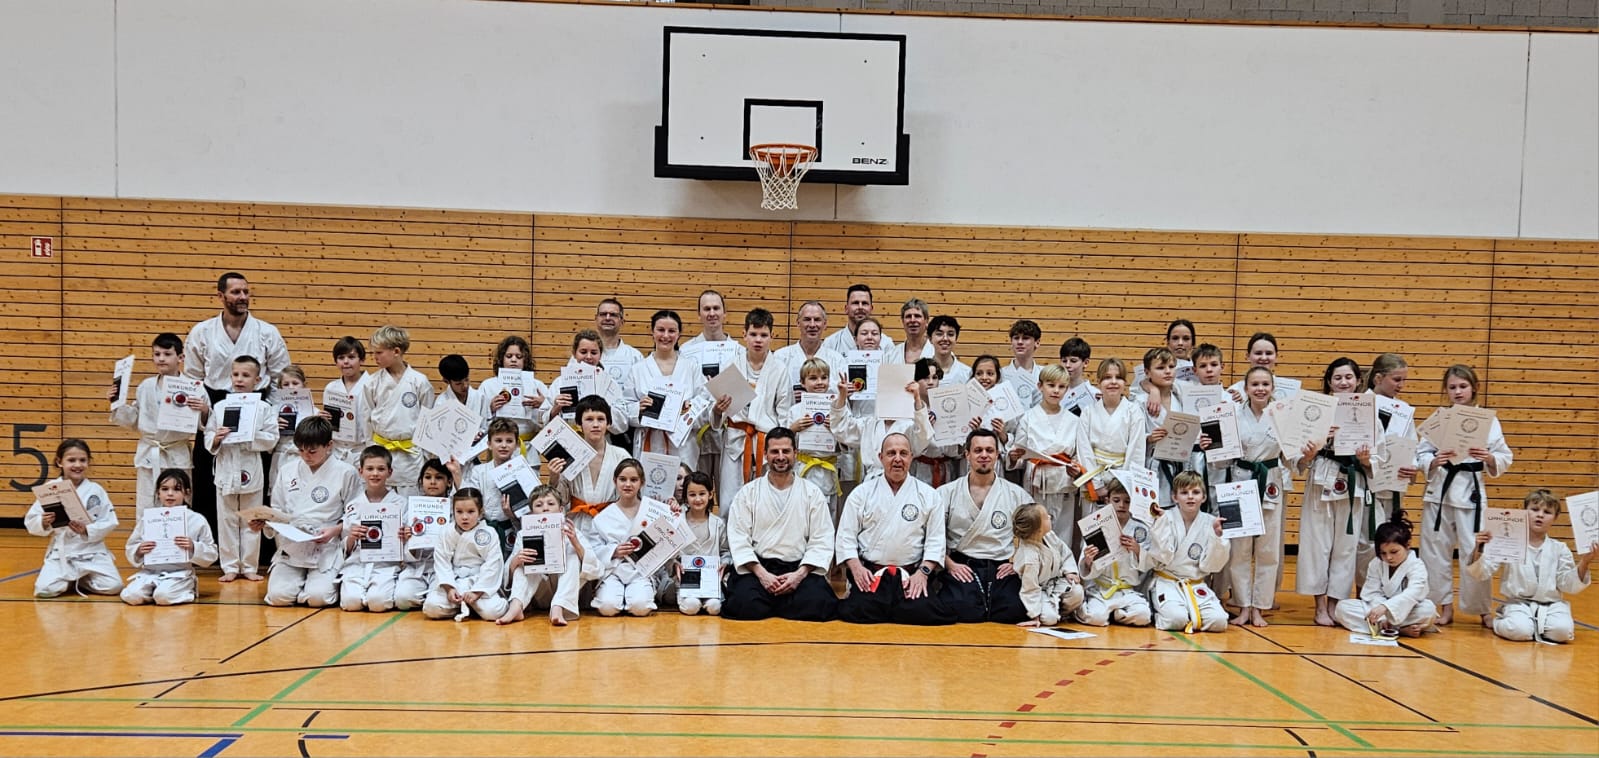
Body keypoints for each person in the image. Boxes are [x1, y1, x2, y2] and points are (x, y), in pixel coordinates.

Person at [185, 273, 290, 527]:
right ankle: (211, 542)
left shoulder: (267, 332)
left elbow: (281, 377)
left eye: (245, 291)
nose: (242, 297)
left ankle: (260, 545)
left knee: (257, 477)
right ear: (220, 296)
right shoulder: (202, 332)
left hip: (256, 405)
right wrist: (205, 412)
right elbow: (192, 378)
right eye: (236, 292)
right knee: (209, 479)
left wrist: (270, 412)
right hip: (216, 407)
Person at [1418, 363, 1512, 627]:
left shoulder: (1489, 422)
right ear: (1445, 390)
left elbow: (1504, 456)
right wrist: (1433, 460)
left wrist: (1489, 457)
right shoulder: (1440, 419)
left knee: (1476, 550)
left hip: (1471, 494)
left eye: (1463, 386)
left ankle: (1482, 609)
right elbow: (1420, 454)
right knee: (1435, 552)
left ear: (1474, 388)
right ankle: (1443, 606)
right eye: (1452, 387)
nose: (1457, 392)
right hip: (1439, 492)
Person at [836, 433, 956, 625]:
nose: (897, 459)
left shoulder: (928, 495)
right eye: (891, 453)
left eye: (903, 453)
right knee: (855, 612)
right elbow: (845, 537)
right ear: (880, 457)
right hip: (872, 575)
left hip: (911, 575)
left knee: (929, 613)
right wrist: (857, 569)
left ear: (911, 457)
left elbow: (936, 541)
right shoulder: (862, 493)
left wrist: (923, 573)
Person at [722, 428, 838, 621]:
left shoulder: (812, 493)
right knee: (744, 604)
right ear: (765, 454)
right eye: (775, 451)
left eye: (786, 451)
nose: (781, 457)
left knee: (818, 603)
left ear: (795, 453)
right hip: (758, 568)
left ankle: (778, 601)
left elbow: (822, 539)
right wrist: (763, 575)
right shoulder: (748, 493)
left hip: (798, 568)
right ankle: (780, 602)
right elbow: (739, 538)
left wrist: (799, 575)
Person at [1221, 367, 1304, 628]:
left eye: (1265, 384)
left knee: (1268, 550)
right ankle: (1243, 606)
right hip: (1240, 481)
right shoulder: (1232, 414)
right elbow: (1221, 459)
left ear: (1272, 388)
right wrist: (1210, 447)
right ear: (1245, 388)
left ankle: (1259, 607)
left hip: (1270, 481)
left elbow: (1293, 459)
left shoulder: (1283, 416)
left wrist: (1309, 453)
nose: (1260, 389)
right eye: (1255, 384)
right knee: (1240, 550)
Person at [1466, 489, 1594, 643]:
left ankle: (1534, 626)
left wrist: (1585, 562)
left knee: (1563, 633)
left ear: (1555, 518)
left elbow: (1567, 584)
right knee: (1519, 630)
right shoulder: (1509, 543)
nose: (1540, 515)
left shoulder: (1560, 548)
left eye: (1547, 512)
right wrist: (1478, 548)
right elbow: (1481, 573)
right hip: (1518, 603)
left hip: (1552, 605)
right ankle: (1499, 622)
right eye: (1534, 509)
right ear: (1524, 513)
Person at [257, 417, 360, 607]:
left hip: (326, 545)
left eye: (312, 451)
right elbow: (277, 509)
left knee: (318, 598)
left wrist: (335, 530)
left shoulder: (346, 472)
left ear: (329, 445)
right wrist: (265, 522)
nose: (306, 456)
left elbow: (354, 513)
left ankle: (316, 584)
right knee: (279, 597)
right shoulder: (287, 470)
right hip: (292, 545)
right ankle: (298, 586)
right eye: (301, 450)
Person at [938, 429, 1032, 624]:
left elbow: (1035, 535)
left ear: (997, 455)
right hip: (962, 564)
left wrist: (1017, 562)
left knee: (1014, 610)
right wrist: (949, 564)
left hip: (1002, 565)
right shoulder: (946, 493)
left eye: (989, 450)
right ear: (967, 455)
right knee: (960, 609)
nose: (984, 455)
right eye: (977, 450)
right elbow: (932, 536)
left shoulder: (1016, 494)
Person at [1297, 357, 1365, 627]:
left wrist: (1367, 459)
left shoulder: (1368, 412)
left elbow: (1378, 455)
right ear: (1329, 382)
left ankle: (1336, 603)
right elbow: (1299, 457)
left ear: (1358, 380)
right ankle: (1320, 605)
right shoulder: (1316, 411)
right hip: (1321, 479)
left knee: (1345, 547)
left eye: (1348, 377)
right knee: (1317, 544)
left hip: (1353, 482)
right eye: (1337, 378)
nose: (1343, 382)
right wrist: (1315, 447)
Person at [110, 332, 208, 511]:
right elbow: (135, 419)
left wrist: (204, 410)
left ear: (180, 358)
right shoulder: (145, 386)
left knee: (178, 506)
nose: (161, 358)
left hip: (177, 453)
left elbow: (206, 425)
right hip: (149, 453)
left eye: (167, 354)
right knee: (147, 505)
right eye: (157, 354)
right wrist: (117, 404)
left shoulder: (193, 387)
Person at [204, 356, 279, 582]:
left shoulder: (264, 408)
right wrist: (216, 438)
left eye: (246, 375)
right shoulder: (220, 407)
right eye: (236, 374)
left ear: (257, 380)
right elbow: (209, 434)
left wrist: (251, 435)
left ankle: (249, 566)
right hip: (226, 467)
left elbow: (272, 437)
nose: (239, 379)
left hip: (250, 468)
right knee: (226, 520)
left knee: (252, 519)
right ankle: (229, 566)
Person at [25, 439, 123, 598]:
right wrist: (43, 522)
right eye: (71, 460)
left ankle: (82, 580)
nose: (77, 465)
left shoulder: (96, 490)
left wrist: (87, 530)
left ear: (88, 462)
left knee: (114, 586)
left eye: (82, 460)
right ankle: (71, 579)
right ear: (59, 462)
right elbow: (31, 520)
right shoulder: (49, 489)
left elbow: (109, 520)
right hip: (63, 551)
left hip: (92, 551)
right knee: (45, 590)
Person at [1008, 364, 1086, 545]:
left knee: (1062, 538)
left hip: (1063, 484)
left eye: (1061, 386)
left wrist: (1076, 469)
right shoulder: (1028, 417)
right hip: (1036, 485)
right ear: (1040, 386)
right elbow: (1020, 456)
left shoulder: (1075, 421)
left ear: (1067, 389)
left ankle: (1061, 564)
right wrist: (1014, 458)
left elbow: (1077, 455)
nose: (1056, 391)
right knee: (1036, 534)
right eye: (1051, 385)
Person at [500, 485, 600, 626]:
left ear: (561, 510)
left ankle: (558, 607)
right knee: (523, 561)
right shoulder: (523, 534)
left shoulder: (571, 532)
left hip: (565, 592)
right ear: (532, 512)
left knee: (573, 555)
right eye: (539, 505)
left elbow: (595, 568)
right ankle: (516, 606)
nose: (545, 508)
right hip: (537, 593)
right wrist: (516, 561)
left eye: (551, 504)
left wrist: (576, 543)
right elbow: (509, 572)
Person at [583, 458, 669, 617]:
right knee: (608, 607)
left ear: (642, 482)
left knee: (640, 607)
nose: (628, 484)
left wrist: (673, 512)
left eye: (633, 480)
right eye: (623, 479)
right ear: (615, 481)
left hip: (641, 572)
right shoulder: (602, 517)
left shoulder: (652, 512)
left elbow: (667, 542)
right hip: (613, 571)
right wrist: (613, 551)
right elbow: (593, 549)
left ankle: (637, 595)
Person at [709, 308, 779, 504]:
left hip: (765, 442)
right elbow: (717, 410)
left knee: (763, 501)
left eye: (763, 335)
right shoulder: (731, 365)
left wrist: (778, 446)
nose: (758, 340)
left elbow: (784, 413)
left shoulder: (779, 369)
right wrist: (718, 410)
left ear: (772, 336)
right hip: (736, 440)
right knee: (730, 500)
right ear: (744, 335)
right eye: (753, 334)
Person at [121, 469, 218, 606]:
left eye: (176, 489)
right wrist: (139, 550)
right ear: (158, 493)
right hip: (150, 572)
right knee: (131, 596)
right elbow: (131, 545)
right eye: (165, 489)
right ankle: (153, 591)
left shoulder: (197, 520)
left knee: (163, 597)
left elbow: (212, 553)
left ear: (187, 493)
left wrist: (193, 546)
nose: (170, 494)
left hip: (180, 573)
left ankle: (187, 587)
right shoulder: (148, 519)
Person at [1148, 471, 1230, 633]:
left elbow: (1212, 566)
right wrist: (1161, 525)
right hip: (1167, 582)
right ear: (1174, 497)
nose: (1190, 497)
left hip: (1196, 584)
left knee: (1219, 621)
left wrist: (1218, 537)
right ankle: (1159, 612)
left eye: (1196, 492)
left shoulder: (1212, 523)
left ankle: (1188, 614)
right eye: (1184, 493)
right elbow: (1163, 557)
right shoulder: (1165, 518)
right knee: (1176, 619)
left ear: (1204, 497)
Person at [361, 325, 435, 496]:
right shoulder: (372, 383)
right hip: (381, 451)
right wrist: (371, 452)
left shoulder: (419, 382)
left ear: (396, 351)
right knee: (380, 502)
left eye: (379, 352)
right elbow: (366, 420)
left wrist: (425, 455)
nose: (374, 357)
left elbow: (428, 422)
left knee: (410, 501)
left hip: (410, 454)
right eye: (373, 353)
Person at [627, 310, 706, 467]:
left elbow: (704, 405)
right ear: (652, 332)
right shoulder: (638, 369)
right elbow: (625, 408)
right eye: (661, 330)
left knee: (683, 481)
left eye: (671, 331)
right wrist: (639, 409)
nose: (666, 335)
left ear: (679, 334)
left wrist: (689, 410)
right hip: (650, 441)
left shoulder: (691, 367)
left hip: (682, 444)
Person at [1334, 514, 1435, 638]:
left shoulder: (1416, 565)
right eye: (1383, 553)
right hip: (1379, 610)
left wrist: (1386, 607)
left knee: (1428, 610)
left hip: (1406, 609)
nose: (1388, 557)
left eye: (1394, 552)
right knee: (1342, 608)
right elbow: (1372, 593)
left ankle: (1384, 628)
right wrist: (1381, 616)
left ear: (1408, 545)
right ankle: (1397, 629)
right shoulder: (1376, 564)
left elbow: (1413, 593)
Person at [339, 445, 409, 612]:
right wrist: (352, 537)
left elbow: (407, 545)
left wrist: (405, 537)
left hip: (385, 565)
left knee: (378, 603)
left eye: (381, 469)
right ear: (361, 471)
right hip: (357, 564)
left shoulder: (401, 504)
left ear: (390, 472)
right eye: (370, 469)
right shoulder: (353, 505)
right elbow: (345, 547)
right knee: (350, 603)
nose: (375, 473)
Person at [1075, 480, 1154, 627]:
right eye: (1116, 500)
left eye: (1127, 501)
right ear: (1107, 500)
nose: (1121, 505)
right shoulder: (1095, 526)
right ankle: (1091, 610)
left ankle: (1118, 614)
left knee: (1143, 616)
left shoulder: (1141, 529)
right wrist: (1088, 560)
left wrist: (1137, 550)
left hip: (1126, 591)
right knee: (1096, 618)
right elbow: (1085, 568)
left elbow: (1147, 565)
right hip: (1102, 589)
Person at [423, 488, 509, 621]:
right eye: (459, 512)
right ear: (453, 511)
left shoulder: (489, 533)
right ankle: (463, 604)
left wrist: (476, 592)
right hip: (454, 581)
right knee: (431, 607)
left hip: (478, 582)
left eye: (470, 511)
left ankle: (467, 604)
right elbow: (442, 563)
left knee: (494, 612)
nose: (464, 517)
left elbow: (493, 565)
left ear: (480, 512)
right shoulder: (446, 532)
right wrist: (449, 589)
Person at [1075, 358, 1146, 509]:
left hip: (1122, 479)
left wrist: (1121, 485)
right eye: (1107, 377)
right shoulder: (1088, 412)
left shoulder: (1134, 412)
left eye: (1118, 377)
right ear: (1098, 382)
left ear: (1125, 382)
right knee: (1093, 522)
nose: (1113, 382)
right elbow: (1084, 450)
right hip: (1093, 479)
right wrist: (1096, 484)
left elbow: (1137, 452)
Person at [455, 418, 531, 557]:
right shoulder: (479, 471)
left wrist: (512, 515)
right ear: (489, 444)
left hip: (511, 528)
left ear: (516, 445)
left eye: (509, 441)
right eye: (498, 440)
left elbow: (531, 507)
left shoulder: (522, 471)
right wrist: (456, 473)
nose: (504, 445)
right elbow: (469, 500)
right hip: (483, 528)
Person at [553, 396, 632, 529]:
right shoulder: (568, 456)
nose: (595, 425)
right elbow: (562, 500)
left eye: (601, 419)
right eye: (589, 419)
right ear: (579, 424)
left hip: (611, 524)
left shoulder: (621, 456)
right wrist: (554, 478)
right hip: (577, 525)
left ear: (608, 423)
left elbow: (631, 493)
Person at [765, 301, 847, 426]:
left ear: (825, 324)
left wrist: (814, 394)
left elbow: (843, 396)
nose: (812, 325)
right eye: (807, 319)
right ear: (798, 323)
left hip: (826, 426)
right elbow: (769, 394)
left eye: (817, 320)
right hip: (787, 425)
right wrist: (790, 396)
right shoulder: (780, 357)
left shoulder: (837, 359)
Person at [1011, 502, 1085, 627]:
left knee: (1078, 592)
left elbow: (1064, 552)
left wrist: (1070, 571)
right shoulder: (1029, 556)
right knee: (1049, 619)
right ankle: (1050, 612)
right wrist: (1035, 615)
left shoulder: (1049, 536)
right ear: (1038, 529)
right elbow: (1030, 588)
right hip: (1041, 591)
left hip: (1056, 582)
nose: (1050, 517)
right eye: (1046, 517)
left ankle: (1062, 613)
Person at [395, 457, 455, 611]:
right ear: (421, 481)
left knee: (434, 605)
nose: (432, 482)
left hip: (442, 566)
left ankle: (431, 597)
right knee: (402, 600)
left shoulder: (454, 508)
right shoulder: (412, 508)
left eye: (439, 477)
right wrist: (405, 538)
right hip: (416, 566)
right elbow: (401, 547)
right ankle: (424, 596)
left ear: (449, 482)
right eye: (428, 477)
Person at [477, 336, 548, 458]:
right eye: (509, 356)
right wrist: (490, 409)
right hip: (498, 447)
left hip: (527, 447)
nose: (514, 360)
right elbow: (478, 423)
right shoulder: (488, 385)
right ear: (501, 359)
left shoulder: (537, 386)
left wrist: (543, 405)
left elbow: (548, 422)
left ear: (525, 360)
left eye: (519, 357)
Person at [670, 471, 730, 616]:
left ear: (710, 494)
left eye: (702, 494)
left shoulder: (718, 524)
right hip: (686, 580)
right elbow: (667, 552)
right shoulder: (677, 522)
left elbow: (725, 551)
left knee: (715, 607)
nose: (697, 499)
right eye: (692, 494)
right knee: (691, 606)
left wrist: (725, 563)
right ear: (685, 497)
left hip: (711, 581)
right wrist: (674, 564)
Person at [322, 336, 370, 466]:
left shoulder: (372, 385)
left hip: (362, 450)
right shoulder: (331, 388)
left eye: (351, 357)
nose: (346, 362)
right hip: (336, 451)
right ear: (336, 362)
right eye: (341, 358)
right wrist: (323, 419)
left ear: (362, 360)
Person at [267, 365, 310, 504]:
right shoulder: (272, 412)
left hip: (304, 459)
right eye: (286, 384)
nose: (291, 387)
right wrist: (273, 428)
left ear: (304, 385)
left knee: (302, 499)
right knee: (279, 500)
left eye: (295, 383)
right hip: (281, 458)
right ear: (280, 388)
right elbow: (267, 447)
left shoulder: (314, 411)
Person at [823, 283, 896, 356]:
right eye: (855, 303)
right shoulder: (831, 343)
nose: (860, 307)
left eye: (864, 303)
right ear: (846, 309)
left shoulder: (886, 344)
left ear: (871, 309)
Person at [1002, 319, 1045, 409]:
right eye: (1016, 338)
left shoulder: (1045, 374)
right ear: (1011, 342)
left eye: (1025, 338)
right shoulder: (1000, 375)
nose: (1020, 342)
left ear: (1037, 343)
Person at [884, 298, 932, 365]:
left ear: (926, 321)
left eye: (917, 316)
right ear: (903, 321)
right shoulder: (890, 356)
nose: (912, 320)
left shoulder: (936, 353)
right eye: (908, 316)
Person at [927, 315, 970, 385]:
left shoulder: (967, 374)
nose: (945, 338)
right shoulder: (920, 372)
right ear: (930, 339)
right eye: (939, 334)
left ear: (956, 339)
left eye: (950, 334)